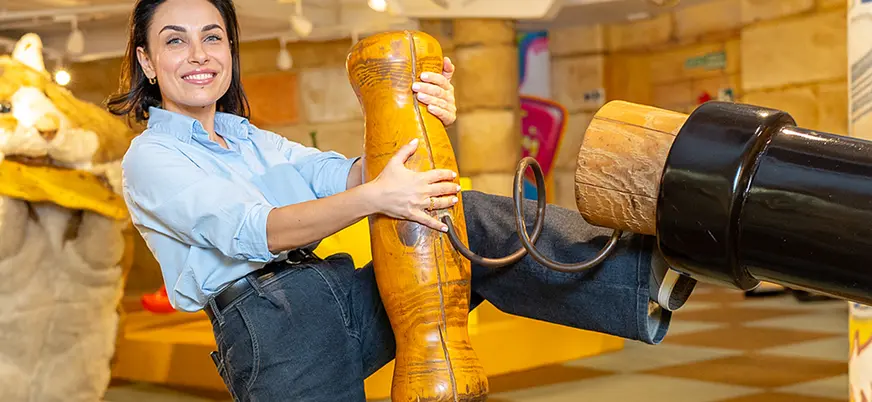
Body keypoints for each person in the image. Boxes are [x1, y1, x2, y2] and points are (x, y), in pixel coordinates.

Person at [109, 0, 698, 400]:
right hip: (270, 330)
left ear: (230, 50)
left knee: (460, 219)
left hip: (332, 292)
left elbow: (349, 174)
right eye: (175, 41)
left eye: (212, 37)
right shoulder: (151, 157)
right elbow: (255, 231)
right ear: (146, 60)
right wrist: (376, 196)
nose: (198, 55)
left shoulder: (248, 138)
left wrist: (419, 115)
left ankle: (647, 277)